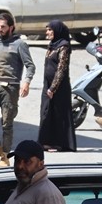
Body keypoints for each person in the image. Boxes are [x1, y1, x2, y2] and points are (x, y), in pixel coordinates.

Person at [0, 12, 35, 166]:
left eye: (3, 27)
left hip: (11, 87)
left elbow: (30, 66)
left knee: (6, 123)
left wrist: (26, 82)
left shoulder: (20, 44)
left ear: (11, 27)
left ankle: (5, 156)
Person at [37, 20, 77, 153]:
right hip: (47, 85)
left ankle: (59, 144)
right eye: (47, 30)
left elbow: (61, 69)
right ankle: (45, 142)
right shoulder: (52, 45)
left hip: (59, 88)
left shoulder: (63, 46)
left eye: (50, 30)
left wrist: (53, 88)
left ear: (57, 31)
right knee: (46, 113)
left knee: (58, 115)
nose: (47, 33)